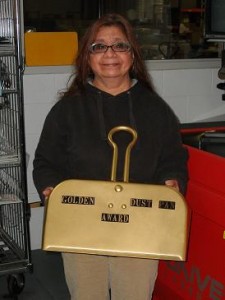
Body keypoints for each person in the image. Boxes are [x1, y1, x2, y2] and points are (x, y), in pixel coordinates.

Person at [33, 13, 188, 300]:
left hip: (139, 227)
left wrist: (172, 181)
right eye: (98, 47)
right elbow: (45, 161)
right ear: (87, 57)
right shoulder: (67, 110)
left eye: (119, 45)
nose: (110, 54)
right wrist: (51, 189)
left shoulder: (156, 109)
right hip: (81, 229)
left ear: (132, 54)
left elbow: (173, 159)